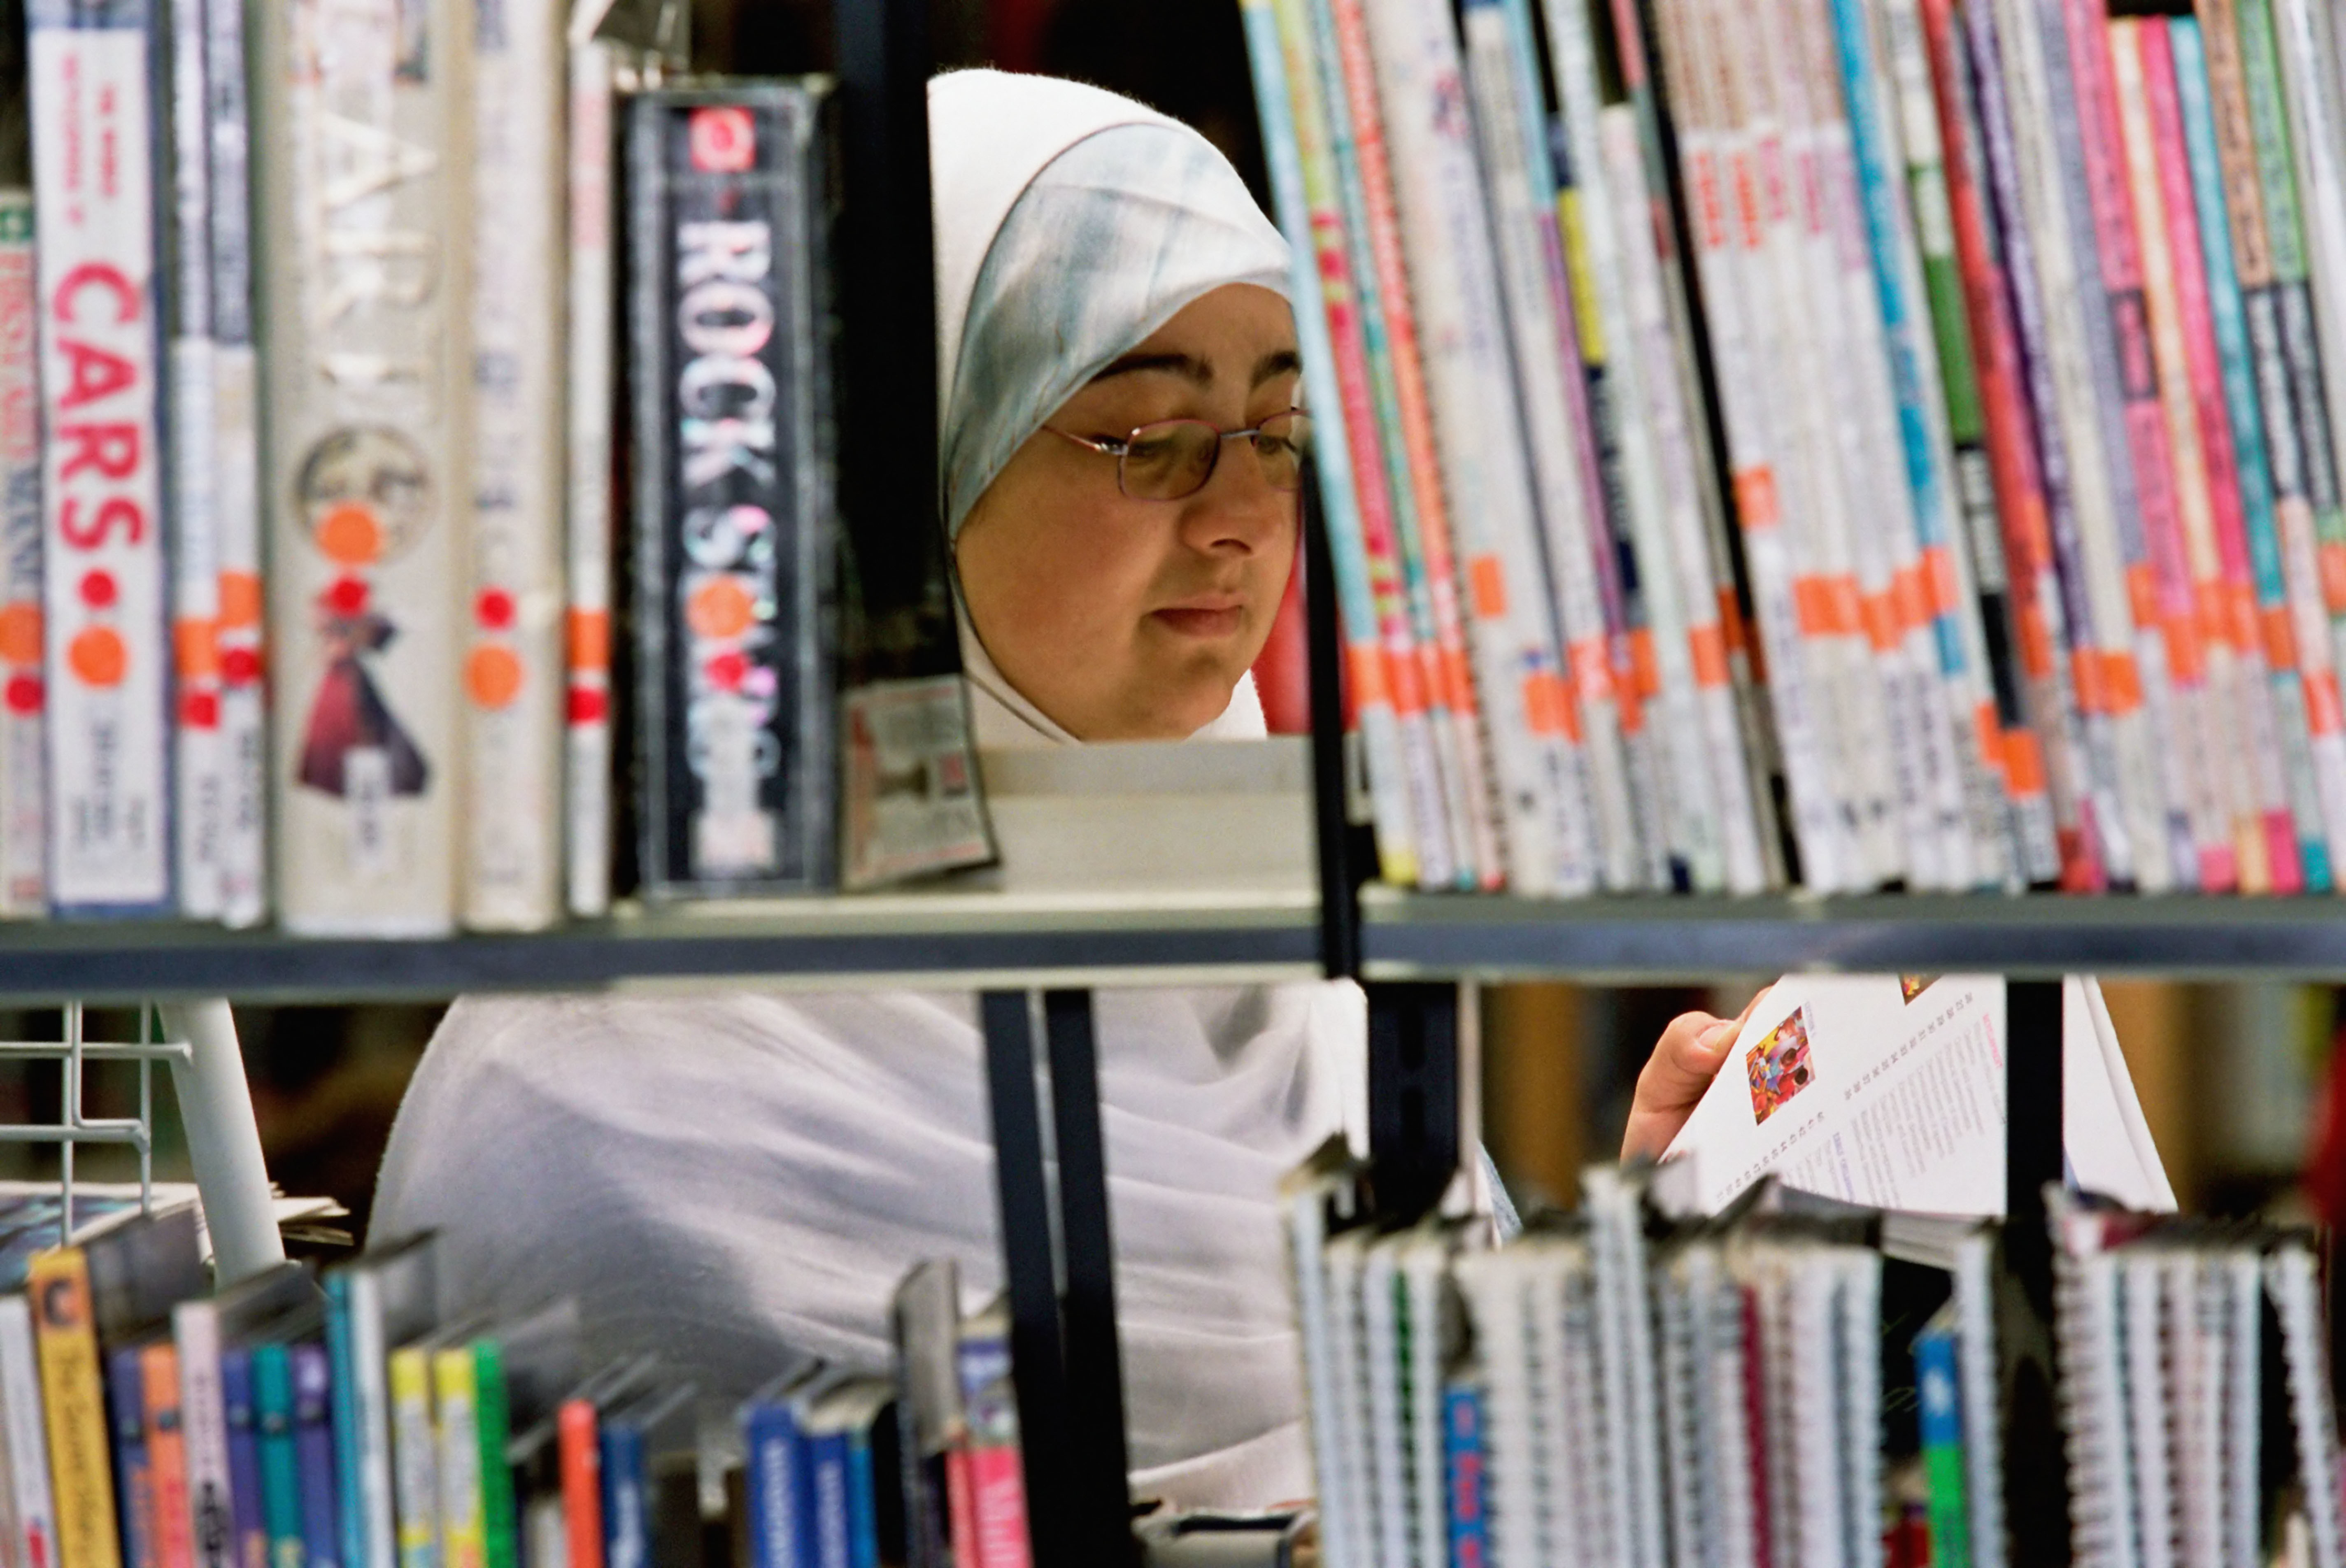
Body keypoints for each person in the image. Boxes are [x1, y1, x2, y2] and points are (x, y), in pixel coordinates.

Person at [370, 67, 1729, 1511]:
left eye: (1277, 433)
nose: (1244, 518)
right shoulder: (610, 1095)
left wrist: (1629, 1269)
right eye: (1147, 440)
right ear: (911, 480)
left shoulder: (1287, 980)